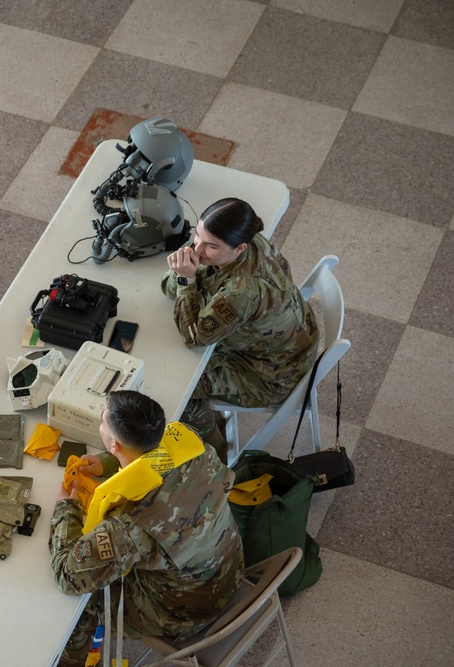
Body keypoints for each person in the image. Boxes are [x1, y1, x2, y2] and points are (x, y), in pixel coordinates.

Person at [50, 390, 243, 667]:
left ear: (114, 444)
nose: (101, 422)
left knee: (79, 607)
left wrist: (64, 510)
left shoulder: (131, 525)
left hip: (188, 612)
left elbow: (68, 576)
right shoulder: (190, 442)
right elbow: (157, 457)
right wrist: (108, 463)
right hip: (228, 571)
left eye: (103, 420)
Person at [160, 197, 320, 461]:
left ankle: (214, 453)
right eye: (197, 236)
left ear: (238, 248)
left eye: (211, 245)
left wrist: (185, 279)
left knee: (180, 391)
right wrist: (189, 268)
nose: (197, 249)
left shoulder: (240, 292)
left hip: (272, 374)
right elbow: (166, 288)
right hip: (290, 340)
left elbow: (194, 337)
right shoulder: (250, 240)